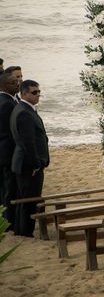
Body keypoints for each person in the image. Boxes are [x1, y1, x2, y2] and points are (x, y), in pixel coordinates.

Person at [9, 80, 49, 237]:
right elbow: (28, 142)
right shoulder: (24, 112)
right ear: (24, 93)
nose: (38, 95)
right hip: (28, 165)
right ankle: (26, 232)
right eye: (34, 92)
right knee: (29, 200)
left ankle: (21, 230)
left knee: (25, 198)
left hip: (24, 162)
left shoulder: (24, 108)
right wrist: (35, 164)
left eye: (39, 91)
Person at [0, 72, 19, 230]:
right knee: (9, 188)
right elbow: (9, 131)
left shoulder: (9, 100)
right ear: (5, 85)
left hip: (6, 151)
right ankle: (8, 221)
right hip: (7, 152)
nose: (18, 84)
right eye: (14, 82)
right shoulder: (6, 103)